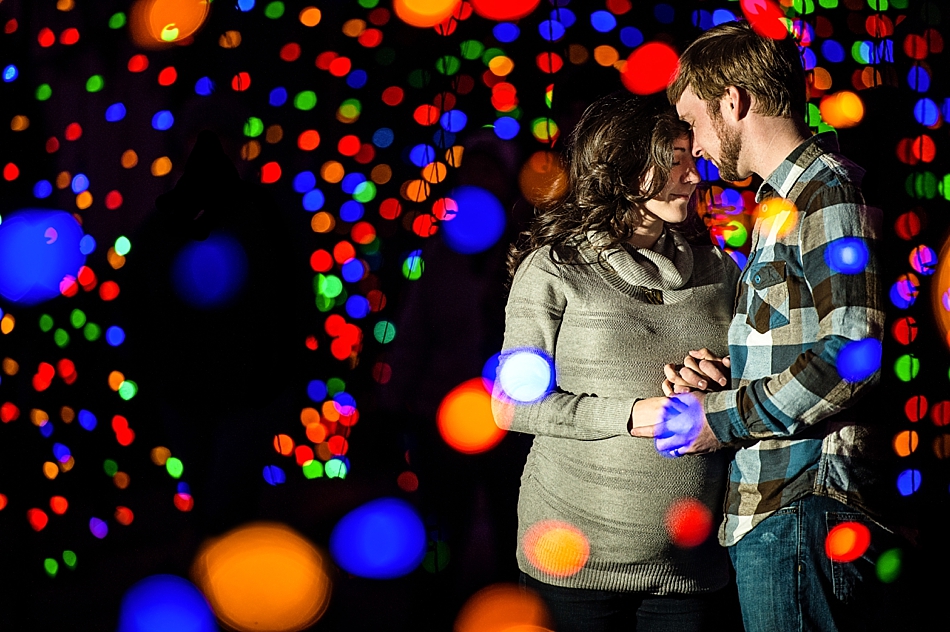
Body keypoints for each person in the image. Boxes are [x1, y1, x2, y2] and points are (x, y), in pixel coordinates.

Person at [630, 20, 891, 631]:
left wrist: (718, 418)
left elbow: (854, 353)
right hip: (779, 507)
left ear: (734, 102)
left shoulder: (827, 193)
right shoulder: (784, 203)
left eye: (693, 123)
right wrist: (724, 377)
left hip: (802, 503)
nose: (691, 146)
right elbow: (807, 342)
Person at [492, 92, 741, 632]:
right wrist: (632, 415)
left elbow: (750, 375)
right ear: (623, 170)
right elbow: (511, 406)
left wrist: (718, 378)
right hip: (573, 563)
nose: (693, 176)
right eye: (673, 162)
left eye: (691, 160)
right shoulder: (555, 268)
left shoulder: (719, 267)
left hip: (689, 570)